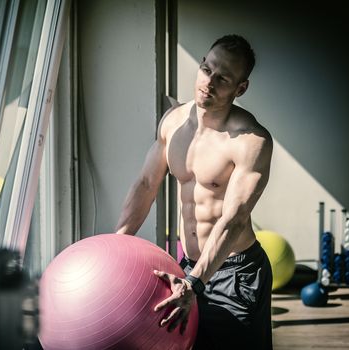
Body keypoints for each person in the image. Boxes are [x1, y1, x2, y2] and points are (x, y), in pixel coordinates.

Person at [115, 34, 273, 349]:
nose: (209, 82)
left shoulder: (250, 140)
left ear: (240, 88)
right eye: (207, 69)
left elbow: (234, 218)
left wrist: (194, 284)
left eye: (223, 78)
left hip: (235, 273)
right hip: (187, 267)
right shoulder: (173, 123)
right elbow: (146, 185)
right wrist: (115, 245)